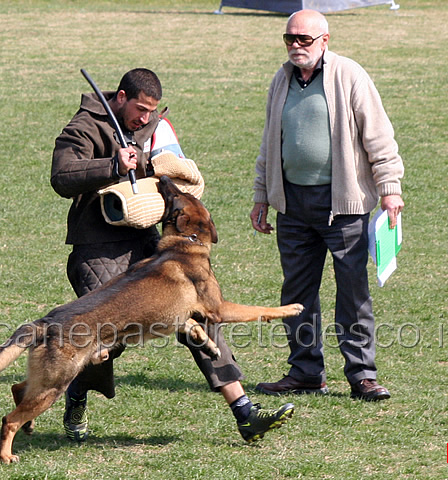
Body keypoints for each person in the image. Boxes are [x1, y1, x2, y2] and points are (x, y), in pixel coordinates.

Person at [51, 68, 294, 444]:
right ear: (120, 97)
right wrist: (112, 166)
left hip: (151, 243)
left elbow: (169, 164)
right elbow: (61, 176)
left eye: (150, 111)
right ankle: (77, 396)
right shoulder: (85, 126)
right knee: (102, 338)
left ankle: (245, 412)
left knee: (203, 316)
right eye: (139, 109)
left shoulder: (153, 127)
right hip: (98, 247)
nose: (144, 118)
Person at [250, 11, 404, 401]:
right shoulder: (281, 79)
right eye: (289, 38)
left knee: (352, 292)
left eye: (304, 39)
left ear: (325, 40)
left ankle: (362, 376)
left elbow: (379, 136)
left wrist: (390, 188)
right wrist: (262, 196)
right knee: (296, 294)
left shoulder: (349, 75)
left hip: (343, 204)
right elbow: (270, 142)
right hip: (292, 204)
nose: (295, 46)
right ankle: (305, 372)